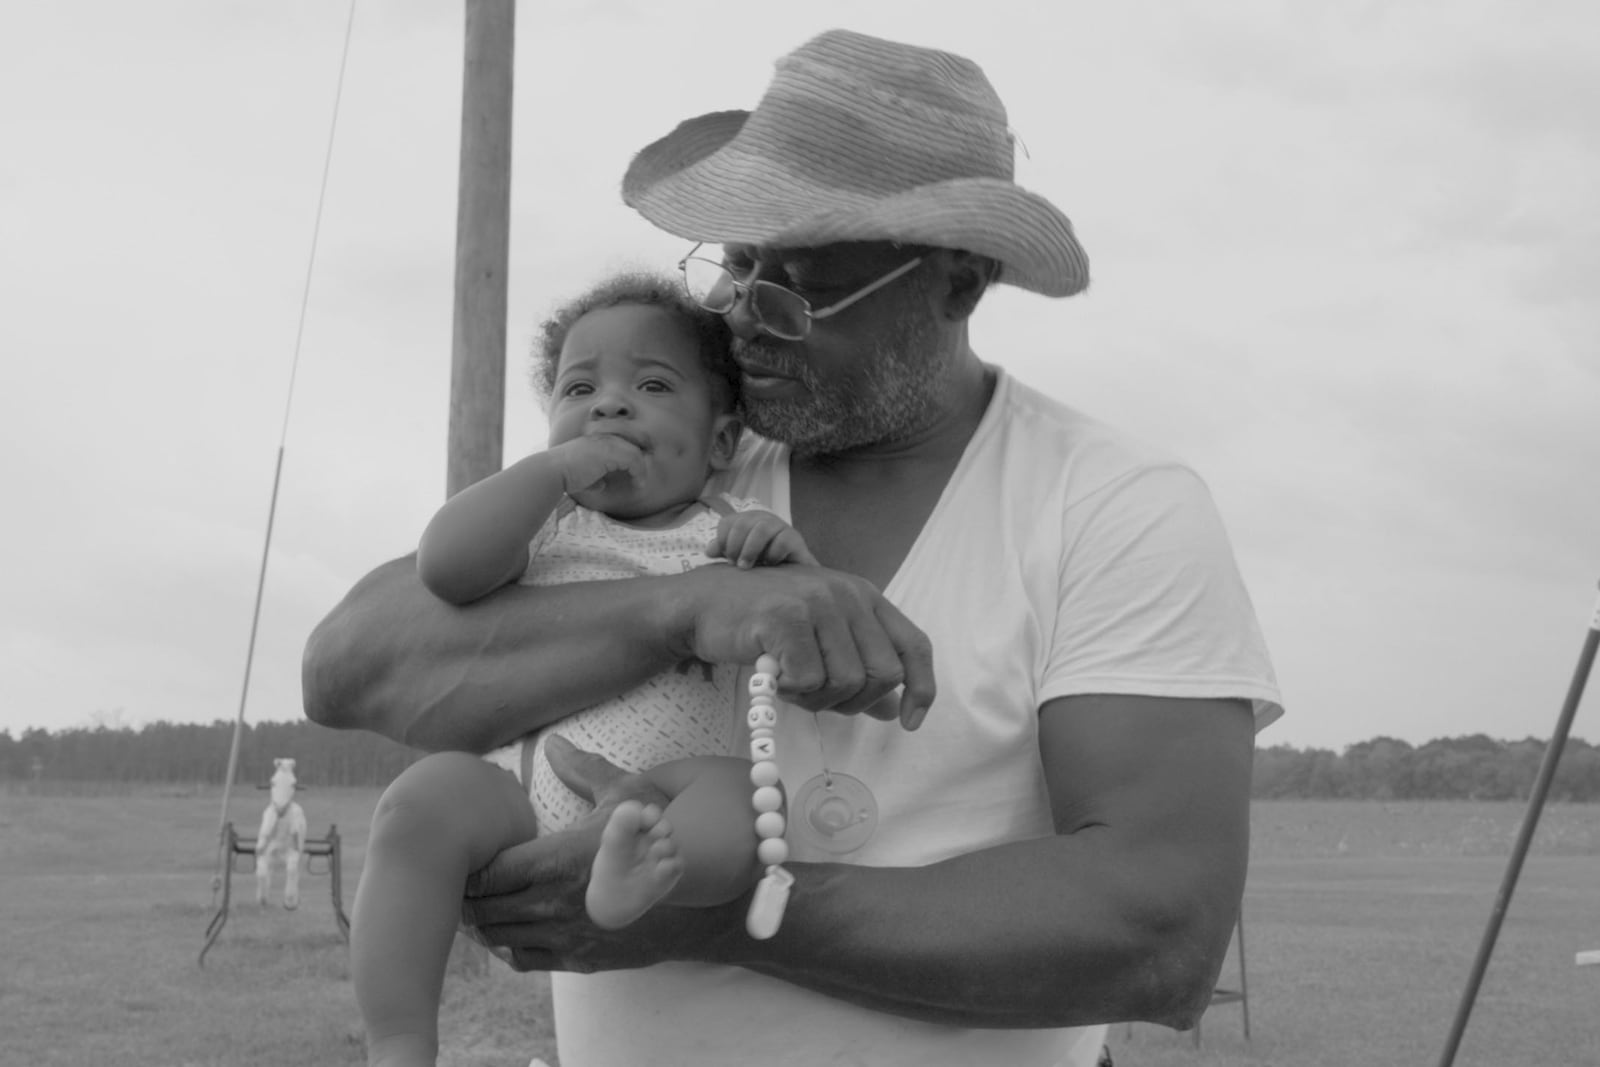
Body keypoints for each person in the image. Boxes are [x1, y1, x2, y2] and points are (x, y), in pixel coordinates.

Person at [304, 29, 1283, 1067]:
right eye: (736, 267)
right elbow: (352, 663)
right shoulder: (684, 455)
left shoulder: (1112, 505)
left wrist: (720, 913)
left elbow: (1160, 929)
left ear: (957, 279)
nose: (739, 322)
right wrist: (685, 608)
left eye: (796, 289)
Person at [350, 272, 819, 1067]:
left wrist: (783, 561)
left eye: (652, 384)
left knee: (741, 802)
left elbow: (802, 625)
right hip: (517, 787)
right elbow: (446, 565)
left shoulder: (732, 531)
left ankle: (635, 875)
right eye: (580, 388)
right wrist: (548, 474)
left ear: (722, 442)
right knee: (415, 806)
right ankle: (398, 1043)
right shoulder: (545, 527)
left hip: (662, 790)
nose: (609, 404)